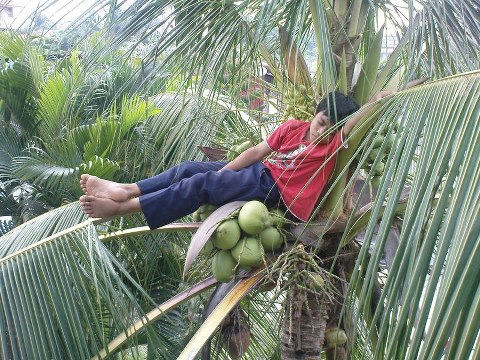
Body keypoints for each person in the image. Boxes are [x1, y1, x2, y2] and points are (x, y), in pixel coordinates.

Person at [79, 91, 387, 229]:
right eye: (321, 121)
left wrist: (385, 97)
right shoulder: (293, 127)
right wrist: (224, 172)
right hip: (261, 172)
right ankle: (128, 188)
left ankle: (120, 209)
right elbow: (255, 153)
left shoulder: (333, 145)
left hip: (277, 192)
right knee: (189, 168)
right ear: (314, 114)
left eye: (330, 127)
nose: (322, 130)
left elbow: (361, 116)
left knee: (201, 184)